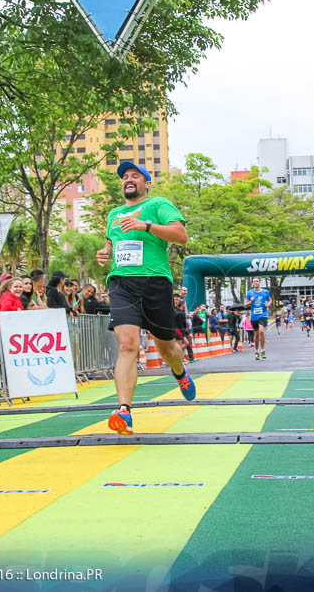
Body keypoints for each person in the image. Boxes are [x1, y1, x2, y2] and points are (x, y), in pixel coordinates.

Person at [95, 161, 194, 435]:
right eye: (125, 176)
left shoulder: (158, 205)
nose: (128, 179)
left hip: (155, 283)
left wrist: (147, 225)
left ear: (146, 183)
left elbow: (181, 235)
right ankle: (124, 411)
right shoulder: (113, 213)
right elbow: (111, 244)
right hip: (122, 283)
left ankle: (179, 372)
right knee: (127, 345)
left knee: (167, 349)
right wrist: (104, 253)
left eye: (135, 176)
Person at [244, 277, 272, 360]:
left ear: (259, 282)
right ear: (252, 283)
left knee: (262, 331)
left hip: (263, 315)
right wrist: (251, 301)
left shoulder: (265, 292)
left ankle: (262, 350)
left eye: (257, 281)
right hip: (254, 316)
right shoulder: (250, 293)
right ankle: (256, 351)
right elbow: (245, 305)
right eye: (254, 281)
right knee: (256, 335)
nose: (255, 282)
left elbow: (270, 300)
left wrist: (268, 304)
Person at [173, 294, 197, 363]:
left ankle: (181, 358)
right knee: (181, 344)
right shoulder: (177, 311)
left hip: (179, 330)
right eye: (175, 299)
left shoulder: (179, 311)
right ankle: (176, 358)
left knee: (184, 344)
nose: (176, 300)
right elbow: (181, 324)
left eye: (177, 299)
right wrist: (184, 334)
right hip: (177, 330)